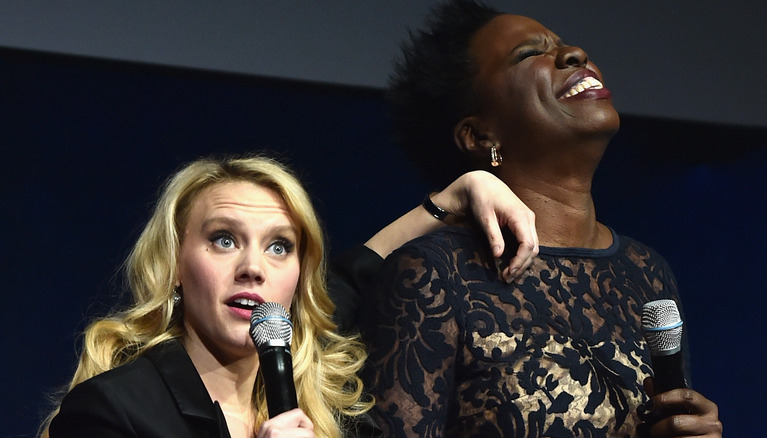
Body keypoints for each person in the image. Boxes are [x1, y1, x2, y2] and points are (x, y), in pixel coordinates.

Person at [355, 1, 723, 437]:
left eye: (565, 45)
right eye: (531, 53)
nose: (575, 54)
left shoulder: (647, 272)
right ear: (479, 135)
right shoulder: (433, 275)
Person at [39, 155, 373, 438]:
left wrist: (427, 211)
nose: (253, 268)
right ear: (174, 266)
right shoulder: (112, 408)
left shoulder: (327, 413)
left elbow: (359, 271)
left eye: (279, 246)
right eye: (224, 240)